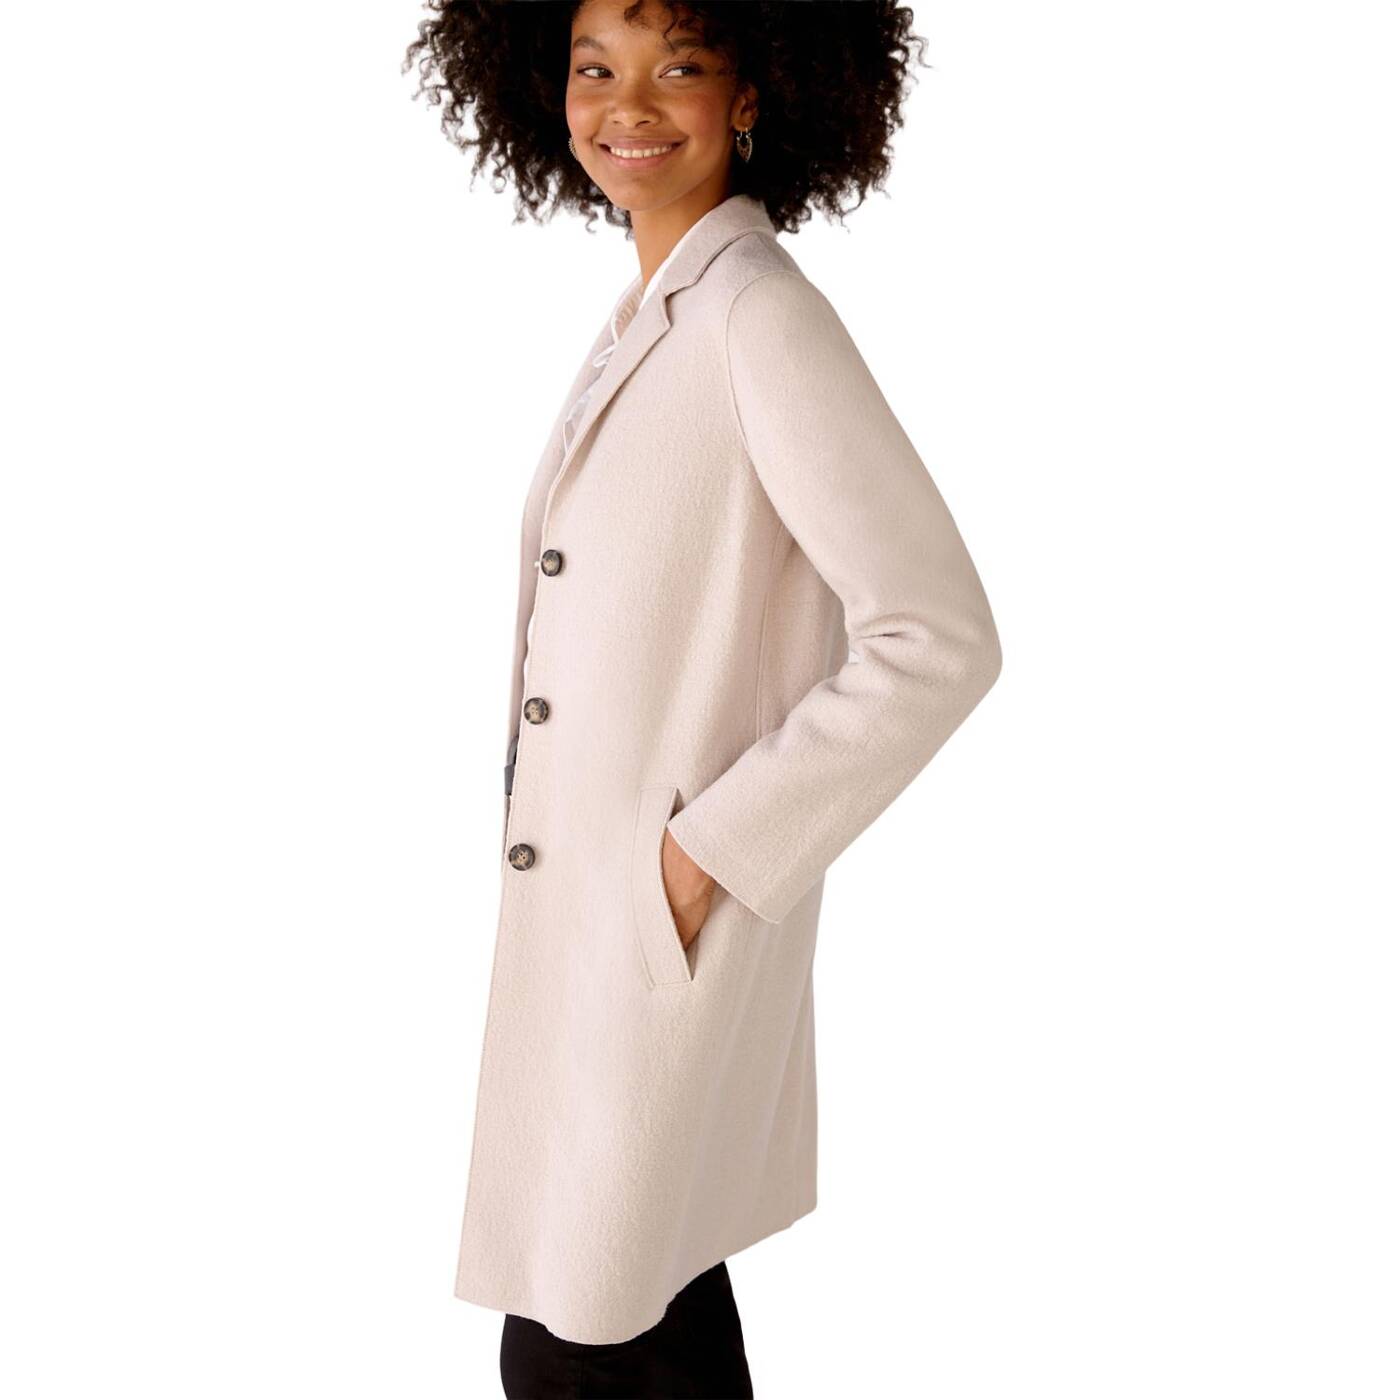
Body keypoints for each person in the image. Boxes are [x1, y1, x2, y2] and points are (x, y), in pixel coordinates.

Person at [404, 2, 1003, 1394]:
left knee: (584, 1331)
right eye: (595, 67)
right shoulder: (657, 313)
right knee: (633, 1302)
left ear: (753, 95)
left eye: (678, 65)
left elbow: (937, 637)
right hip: (599, 922)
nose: (629, 103)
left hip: (655, 921)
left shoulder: (755, 317)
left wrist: (701, 859)